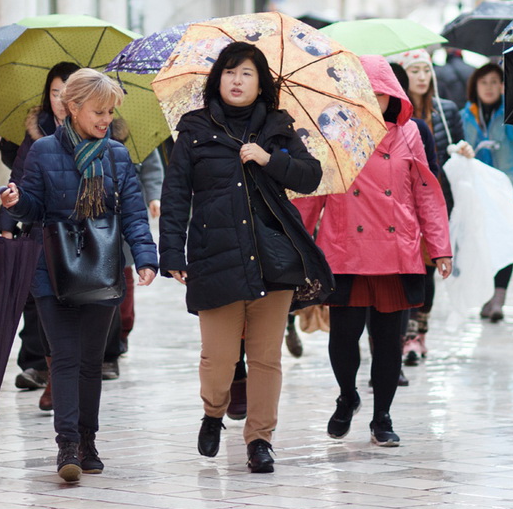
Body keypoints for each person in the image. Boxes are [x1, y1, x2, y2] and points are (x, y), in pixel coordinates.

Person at [158, 41, 333, 474]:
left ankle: (260, 439)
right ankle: (214, 412)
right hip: (214, 255)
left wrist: (269, 159)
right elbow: (176, 194)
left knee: (266, 357)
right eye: (230, 72)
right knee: (217, 360)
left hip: (272, 257)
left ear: (261, 84)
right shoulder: (194, 129)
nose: (237, 81)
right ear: (218, 78)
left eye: (247, 74)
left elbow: (311, 177)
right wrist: (171, 251)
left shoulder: (277, 128)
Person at [0, 68, 158, 483]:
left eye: (110, 112)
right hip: (52, 271)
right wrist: (16, 203)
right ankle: (67, 443)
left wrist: (145, 257)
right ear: (72, 108)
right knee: (66, 358)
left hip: (102, 268)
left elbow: (134, 215)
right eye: (98, 111)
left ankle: (88, 440)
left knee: (91, 361)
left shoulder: (117, 155)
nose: (106, 120)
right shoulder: (43, 151)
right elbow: (33, 208)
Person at [295, 55, 452, 447]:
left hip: (397, 251)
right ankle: (347, 396)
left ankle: (383, 416)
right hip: (345, 246)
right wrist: (295, 244)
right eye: (363, 91)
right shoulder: (331, 132)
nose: (371, 98)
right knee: (344, 336)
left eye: (379, 92)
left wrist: (440, 247)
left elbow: (427, 194)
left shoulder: (413, 133)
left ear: (392, 94)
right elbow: (312, 192)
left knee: (387, 339)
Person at [0, 62, 80, 408]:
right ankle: (52, 378)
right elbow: (17, 178)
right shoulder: (37, 134)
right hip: (41, 232)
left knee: (75, 309)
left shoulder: (97, 130)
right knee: (44, 308)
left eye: (68, 93)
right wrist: (6, 224)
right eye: (54, 93)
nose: (60, 100)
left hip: (82, 236)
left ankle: (71, 379)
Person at [387, 49, 464, 362]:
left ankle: (419, 332)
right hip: (400, 199)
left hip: (437, 196)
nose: (421, 76)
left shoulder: (446, 110)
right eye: (414, 71)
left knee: (428, 266)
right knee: (407, 267)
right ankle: (402, 332)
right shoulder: (393, 113)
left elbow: (457, 146)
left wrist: (464, 151)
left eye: (425, 70)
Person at [460, 62, 513, 322]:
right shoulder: (467, 114)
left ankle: (498, 298)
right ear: (475, 86)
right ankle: (489, 293)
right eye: (484, 82)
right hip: (479, 190)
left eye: (495, 82)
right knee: (486, 242)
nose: (489, 88)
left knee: (505, 241)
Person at [101, 117, 164, 381]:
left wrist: (153, 196)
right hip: (94, 220)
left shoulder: (136, 130)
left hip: (127, 209)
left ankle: (121, 332)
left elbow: (152, 168)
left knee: (124, 275)